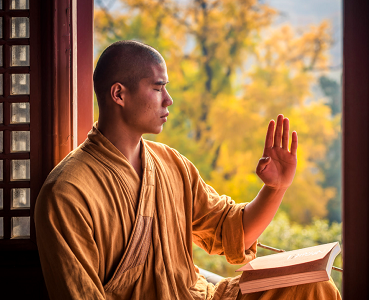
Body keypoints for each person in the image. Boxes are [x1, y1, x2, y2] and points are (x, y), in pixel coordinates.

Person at [35, 40, 341, 300]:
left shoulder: (172, 163)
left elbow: (231, 229)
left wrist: (275, 188)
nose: (169, 100)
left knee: (312, 284)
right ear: (119, 94)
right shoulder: (67, 192)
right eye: (158, 88)